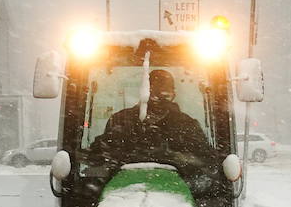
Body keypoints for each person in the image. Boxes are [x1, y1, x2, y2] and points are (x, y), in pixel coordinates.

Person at [87, 68, 215, 168]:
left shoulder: (186, 125)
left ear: (173, 94)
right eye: (155, 94)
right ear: (144, 93)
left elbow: (207, 162)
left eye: (165, 95)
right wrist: (111, 155)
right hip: (121, 188)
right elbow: (95, 155)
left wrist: (176, 156)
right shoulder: (121, 121)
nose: (159, 100)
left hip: (179, 187)